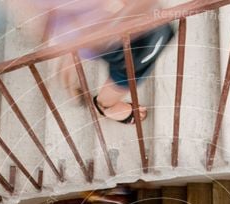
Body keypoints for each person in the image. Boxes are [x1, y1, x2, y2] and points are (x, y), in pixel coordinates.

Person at [27, 0, 174, 123]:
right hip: (116, 34)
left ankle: (76, 55)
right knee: (128, 72)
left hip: (97, 31)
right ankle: (105, 106)